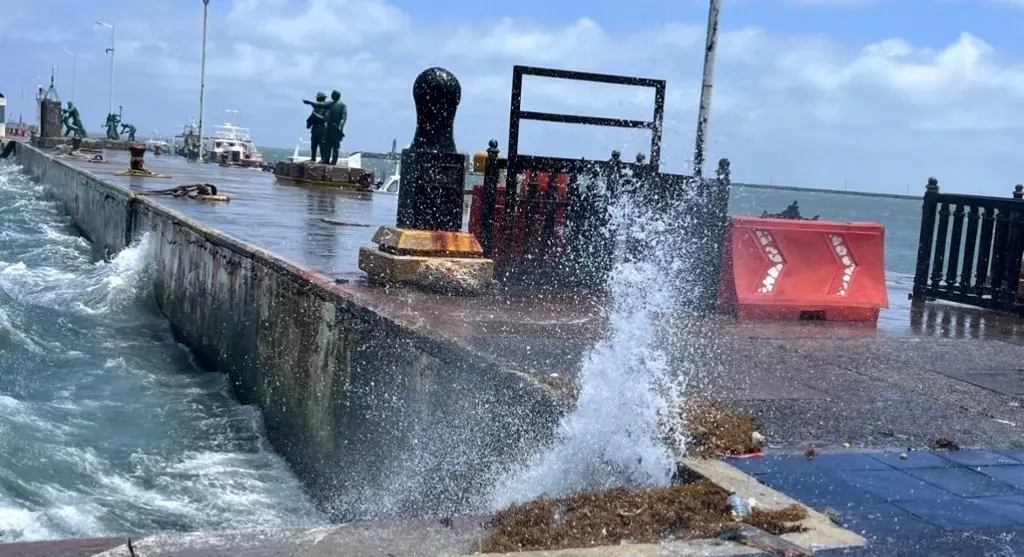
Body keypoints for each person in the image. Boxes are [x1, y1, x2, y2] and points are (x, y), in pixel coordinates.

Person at [304, 90, 346, 165]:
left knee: (333, 146)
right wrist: (310, 103)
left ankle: (332, 161)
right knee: (324, 145)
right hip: (323, 129)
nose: (331, 96)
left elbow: (342, 118)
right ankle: (323, 159)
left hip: (330, 129)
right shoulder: (328, 104)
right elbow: (314, 113)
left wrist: (340, 127)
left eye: (332, 94)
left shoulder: (340, 105)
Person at [303, 92, 328, 162]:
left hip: (321, 128)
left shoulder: (326, 108)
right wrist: (308, 123)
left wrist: (315, 115)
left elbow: (325, 119)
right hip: (314, 128)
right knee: (313, 144)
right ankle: (313, 158)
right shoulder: (316, 108)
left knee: (322, 145)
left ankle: (323, 159)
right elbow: (311, 117)